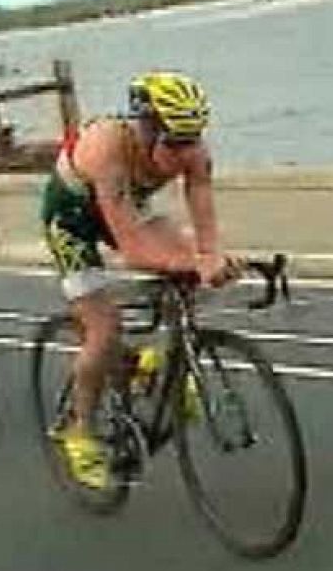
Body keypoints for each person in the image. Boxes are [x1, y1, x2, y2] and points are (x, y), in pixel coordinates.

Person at [39, 71, 238, 488]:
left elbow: (201, 201)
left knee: (187, 272)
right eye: (176, 141)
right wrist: (192, 263)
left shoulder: (192, 150)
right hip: (72, 220)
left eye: (193, 138)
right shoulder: (105, 147)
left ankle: (161, 368)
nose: (188, 150)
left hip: (128, 205)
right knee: (103, 328)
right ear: (147, 128)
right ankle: (81, 431)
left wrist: (210, 256)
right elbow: (132, 249)